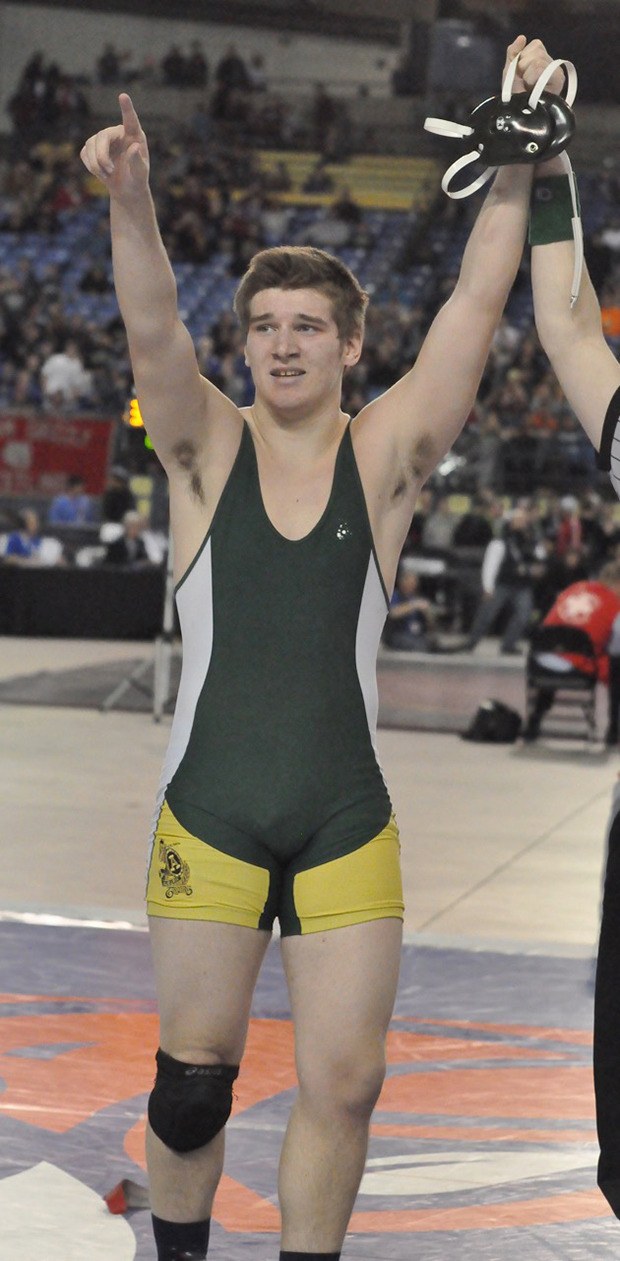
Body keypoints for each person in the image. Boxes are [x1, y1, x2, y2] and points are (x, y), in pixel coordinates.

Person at [80, 36, 560, 1261]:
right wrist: (132, 199)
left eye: (307, 326)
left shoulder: (386, 457)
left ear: (352, 346)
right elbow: (149, 333)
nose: (281, 345)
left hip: (344, 814)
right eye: (262, 325)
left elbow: (468, 308)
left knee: (346, 1085)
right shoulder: (202, 449)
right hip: (211, 813)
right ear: (241, 342)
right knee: (192, 1087)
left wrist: (510, 166)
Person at [522, 560, 620, 743]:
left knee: (559, 653)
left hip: (541, 662)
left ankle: (534, 721)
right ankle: (614, 730)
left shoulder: (574, 588)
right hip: (578, 666)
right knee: (616, 666)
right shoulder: (615, 603)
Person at [465, 504, 543, 655]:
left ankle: (508, 645)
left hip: (522, 585)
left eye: (523, 520)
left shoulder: (530, 541)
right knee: (487, 615)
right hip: (502, 584)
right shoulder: (501, 541)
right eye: (518, 520)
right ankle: (471, 642)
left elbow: (539, 557)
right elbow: (490, 564)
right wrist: (488, 587)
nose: (522, 523)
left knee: (524, 615)